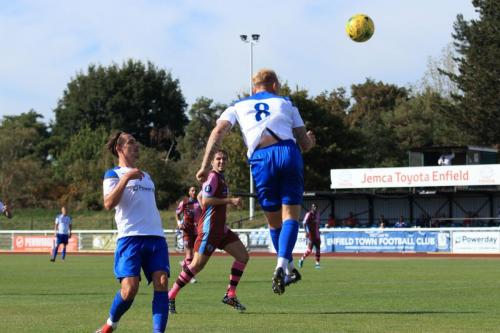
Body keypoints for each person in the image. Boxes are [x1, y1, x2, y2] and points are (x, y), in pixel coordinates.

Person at [196, 68, 315, 295]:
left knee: (273, 222)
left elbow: (218, 130)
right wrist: (310, 140)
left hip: (260, 158)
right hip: (288, 153)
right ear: (274, 84)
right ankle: (283, 265)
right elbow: (305, 144)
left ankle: (286, 265)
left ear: (254, 88)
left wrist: (204, 165)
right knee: (290, 215)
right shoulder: (286, 102)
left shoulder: (237, 106)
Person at [95, 131, 170, 333]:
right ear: (119, 148)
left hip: (156, 237)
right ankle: (111, 324)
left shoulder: (148, 176)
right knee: (129, 290)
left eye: (136, 142)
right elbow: (109, 203)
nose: (136, 146)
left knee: (162, 282)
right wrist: (127, 177)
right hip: (130, 238)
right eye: (131, 142)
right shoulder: (113, 174)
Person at [169, 150, 249, 313]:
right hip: (210, 230)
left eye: (224, 159)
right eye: (218, 159)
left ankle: (230, 295)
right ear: (212, 162)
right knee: (196, 266)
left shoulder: (220, 178)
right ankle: (170, 296)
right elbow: (205, 200)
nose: (221, 161)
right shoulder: (213, 176)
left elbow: (200, 197)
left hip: (221, 229)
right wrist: (230, 200)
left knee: (243, 256)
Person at [175, 186, 202, 283]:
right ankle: (190, 276)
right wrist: (179, 223)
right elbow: (177, 213)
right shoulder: (185, 202)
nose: (194, 192)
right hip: (187, 230)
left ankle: (185, 266)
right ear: (189, 192)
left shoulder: (200, 202)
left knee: (196, 255)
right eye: (192, 190)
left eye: (195, 190)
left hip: (197, 230)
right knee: (189, 253)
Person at [299, 204, 321, 269]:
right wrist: (306, 232)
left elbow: (317, 224)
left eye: (316, 207)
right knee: (309, 250)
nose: (315, 208)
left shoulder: (318, 214)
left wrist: (318, 230)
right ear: (312, 208)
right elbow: (304, 223)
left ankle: (317, 264)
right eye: (314, 207)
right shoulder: (308, 214)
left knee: (318, 249)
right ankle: (301, 259)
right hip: (311, 235)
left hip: (317, 235)